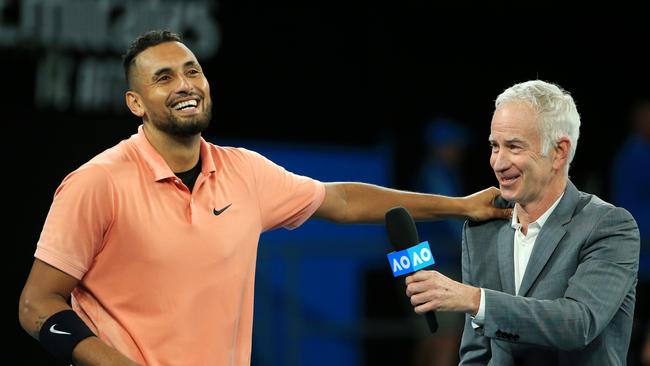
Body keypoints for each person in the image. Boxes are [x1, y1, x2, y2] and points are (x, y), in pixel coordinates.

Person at [17, 30, 509, 366]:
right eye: (163, 78)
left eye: (192, 71)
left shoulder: (244, 172)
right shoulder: (95, 182)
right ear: (135, 103)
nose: (185, 85)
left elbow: (342, 201)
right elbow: (37, 305)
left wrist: (463, 205)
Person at [404, 80, 640, 365]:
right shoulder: (482, 228)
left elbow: (577, 324)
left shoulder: (609, 226)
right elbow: (477, 353)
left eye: (514, 147)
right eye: (494, 146)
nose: (498, 163)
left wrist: (476, 300)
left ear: (559, 152)